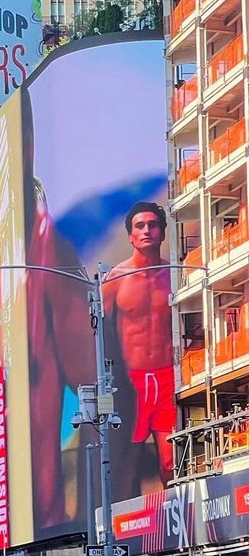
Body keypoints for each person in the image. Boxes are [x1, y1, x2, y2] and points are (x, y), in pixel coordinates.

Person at [102, 202, 174, 486]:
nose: (147, 231)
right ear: (130, 236)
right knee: (126, 465)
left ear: (163, 233)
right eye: (140, 226)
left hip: (168, 378)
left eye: (153, 225)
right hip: (132, 383)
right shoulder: (116, 278)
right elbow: (99, 330)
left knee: (170, 462)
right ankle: (123, 528)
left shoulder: (176, 274)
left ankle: (177, 523)